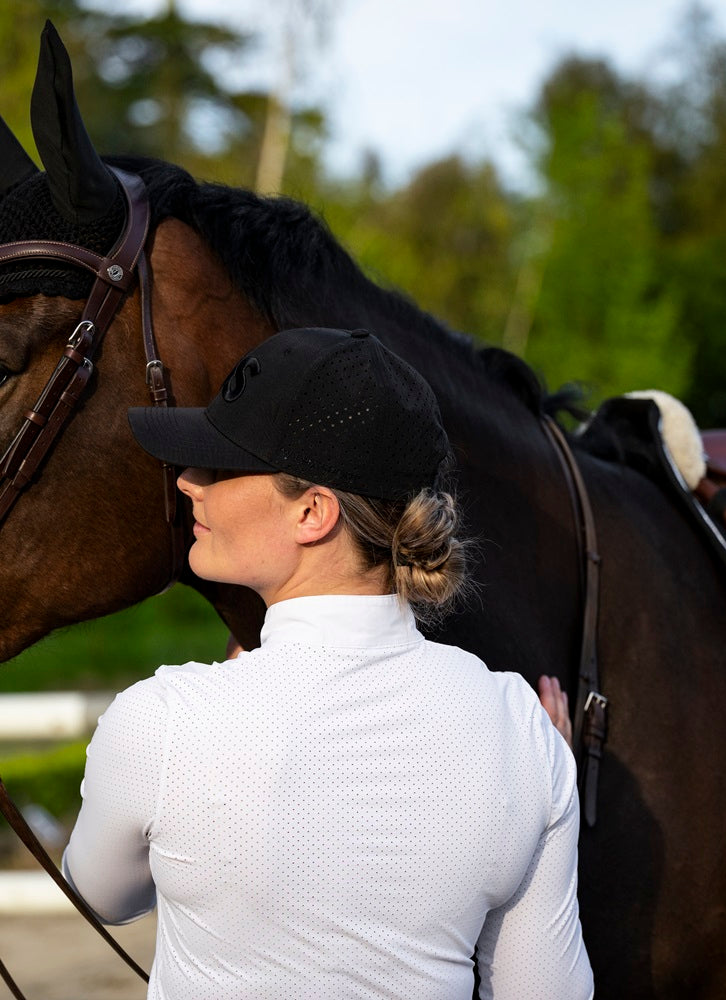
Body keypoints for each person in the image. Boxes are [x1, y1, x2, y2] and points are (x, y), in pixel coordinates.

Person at [62, 327, 593, 999]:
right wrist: (546, 775)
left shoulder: (163, 719)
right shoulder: (523, 729)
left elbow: (101, 893)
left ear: (313, 512)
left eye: (220, 468)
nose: (189, 482)